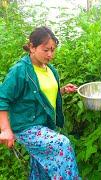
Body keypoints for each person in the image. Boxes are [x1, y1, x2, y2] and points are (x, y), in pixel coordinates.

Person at [0, 27, 80, 179]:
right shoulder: (20, 71)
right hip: (27, 126)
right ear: (32, 47)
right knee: (62, 144)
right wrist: (5, 129)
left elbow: (41, 94)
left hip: (46, 124)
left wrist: (61, 90)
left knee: (41, 168)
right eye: (45, 50)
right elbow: (2, 98)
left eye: (53, 49)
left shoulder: (50, 70)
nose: (50, 54)